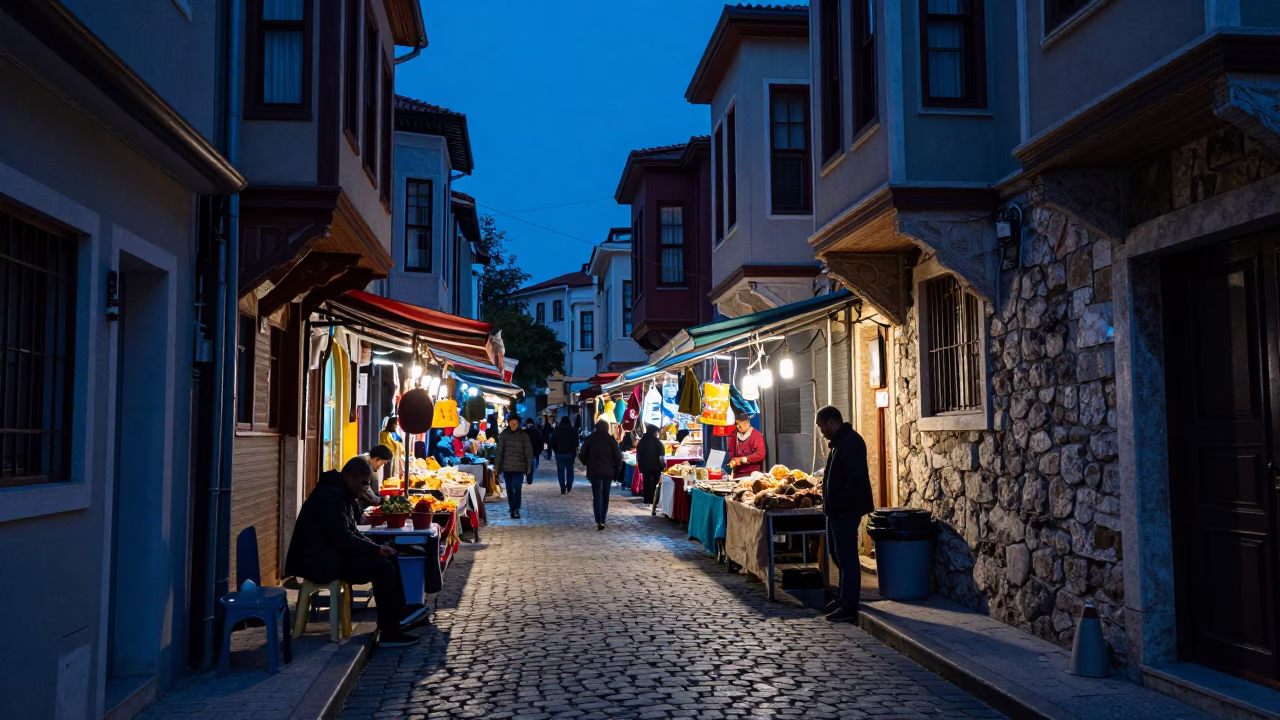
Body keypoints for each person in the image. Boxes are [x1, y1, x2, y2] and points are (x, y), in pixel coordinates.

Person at [284, 457, 425, 648]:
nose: (365, 488)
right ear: (351, 477)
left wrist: (377, 548)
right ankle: (389, 631)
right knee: (381, 567)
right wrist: (374, 550)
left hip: (331, 556)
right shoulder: (331, 497)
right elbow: (342, 539)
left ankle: (398, 613)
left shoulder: (342, 494)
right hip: (319, 563)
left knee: (389, 556)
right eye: (364, 483)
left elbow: (353, 532)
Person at [815, 405, 875, 623]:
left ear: (832, 422)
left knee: (847, 557)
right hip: (837, 510)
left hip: (845, 511)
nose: (822, 432)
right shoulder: (841, 442)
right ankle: (842, 598)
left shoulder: (850, 443)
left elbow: (854, 479)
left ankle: (849, 604)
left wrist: (839, 504)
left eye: (822, 427)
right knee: (839, 556)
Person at [579, 419, 622, 530]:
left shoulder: (590, 439)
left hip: (594, 471)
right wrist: (617, 472)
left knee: (597, 495)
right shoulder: (611, 440)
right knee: (605, 496)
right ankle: (603, 519)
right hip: (608, 472)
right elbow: (618, 458)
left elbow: (581, 454)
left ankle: (598, 519)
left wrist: (587, 462)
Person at [494, 416, 534, 518]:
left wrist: (529, 468)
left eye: (515, 424)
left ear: (519, 424)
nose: (512, 426)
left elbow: (529, 453)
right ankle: (512, 508)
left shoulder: (524, 436)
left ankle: (516, 509)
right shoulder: (504, 435)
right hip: (507, 468)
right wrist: (497, 467)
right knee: (509, 489)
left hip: (519, 468)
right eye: (510, 423)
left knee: (517, 488)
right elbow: (499, 452)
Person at [355, 444, 395, 511]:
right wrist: (382, 500)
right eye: (384, 463)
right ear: (378, 459)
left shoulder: (366, 461)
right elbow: (365, 490)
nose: (381, 466)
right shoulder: (363, 465)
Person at [635, 423, 665, 504]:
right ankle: (654, 499)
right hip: (656, 466)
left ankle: (647, 498)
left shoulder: (641, 441)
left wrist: (640, 465)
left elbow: (638, 455)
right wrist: (663, 467)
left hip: (645, 466)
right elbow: (661, 457)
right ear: (655, 432)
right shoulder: (657, 442)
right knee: (655, 482)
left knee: (646, 481)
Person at [551, 416, 580, 494]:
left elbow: (553, 442)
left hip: (560, 453)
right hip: (571, 453)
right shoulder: (573, 430)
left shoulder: (557, 430)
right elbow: (576, 442)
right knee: (570, 470)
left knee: (561, 471)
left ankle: (562, 488)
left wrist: (556, 451)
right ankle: (569, 484)